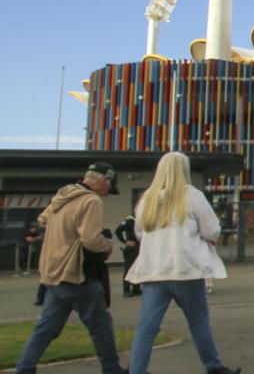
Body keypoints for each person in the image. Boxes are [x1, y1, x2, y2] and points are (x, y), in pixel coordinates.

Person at [126, 151, 237, 374]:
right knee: (198, 322)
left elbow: (140, 232)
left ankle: (136, 371)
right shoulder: (191, 195)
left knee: (147, 327)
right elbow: (212, 230)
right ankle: (213, 367)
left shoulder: (146, 199)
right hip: (185, 268)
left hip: (154, 270)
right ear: (184, 170)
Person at [15, 161, 126, 374]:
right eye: (109, 186)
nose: (107, 193)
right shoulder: (91, 200)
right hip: (76, 274)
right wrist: (108, 244)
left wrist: (65, 232)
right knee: (100, 325)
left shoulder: (63, 194)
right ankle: (112, 369)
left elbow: (43, 219)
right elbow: (91, 240)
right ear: (104, 180)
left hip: (53, 272)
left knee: (45, 328)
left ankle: (24, 369)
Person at [113, 214, 141, 297]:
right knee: (128, 269)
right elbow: (118, 231)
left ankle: (136, 289)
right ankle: (126, 290)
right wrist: (125, 242)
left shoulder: (140, 219)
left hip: (139, 247)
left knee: (137, 269)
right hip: (131, 248)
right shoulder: (129, 220)